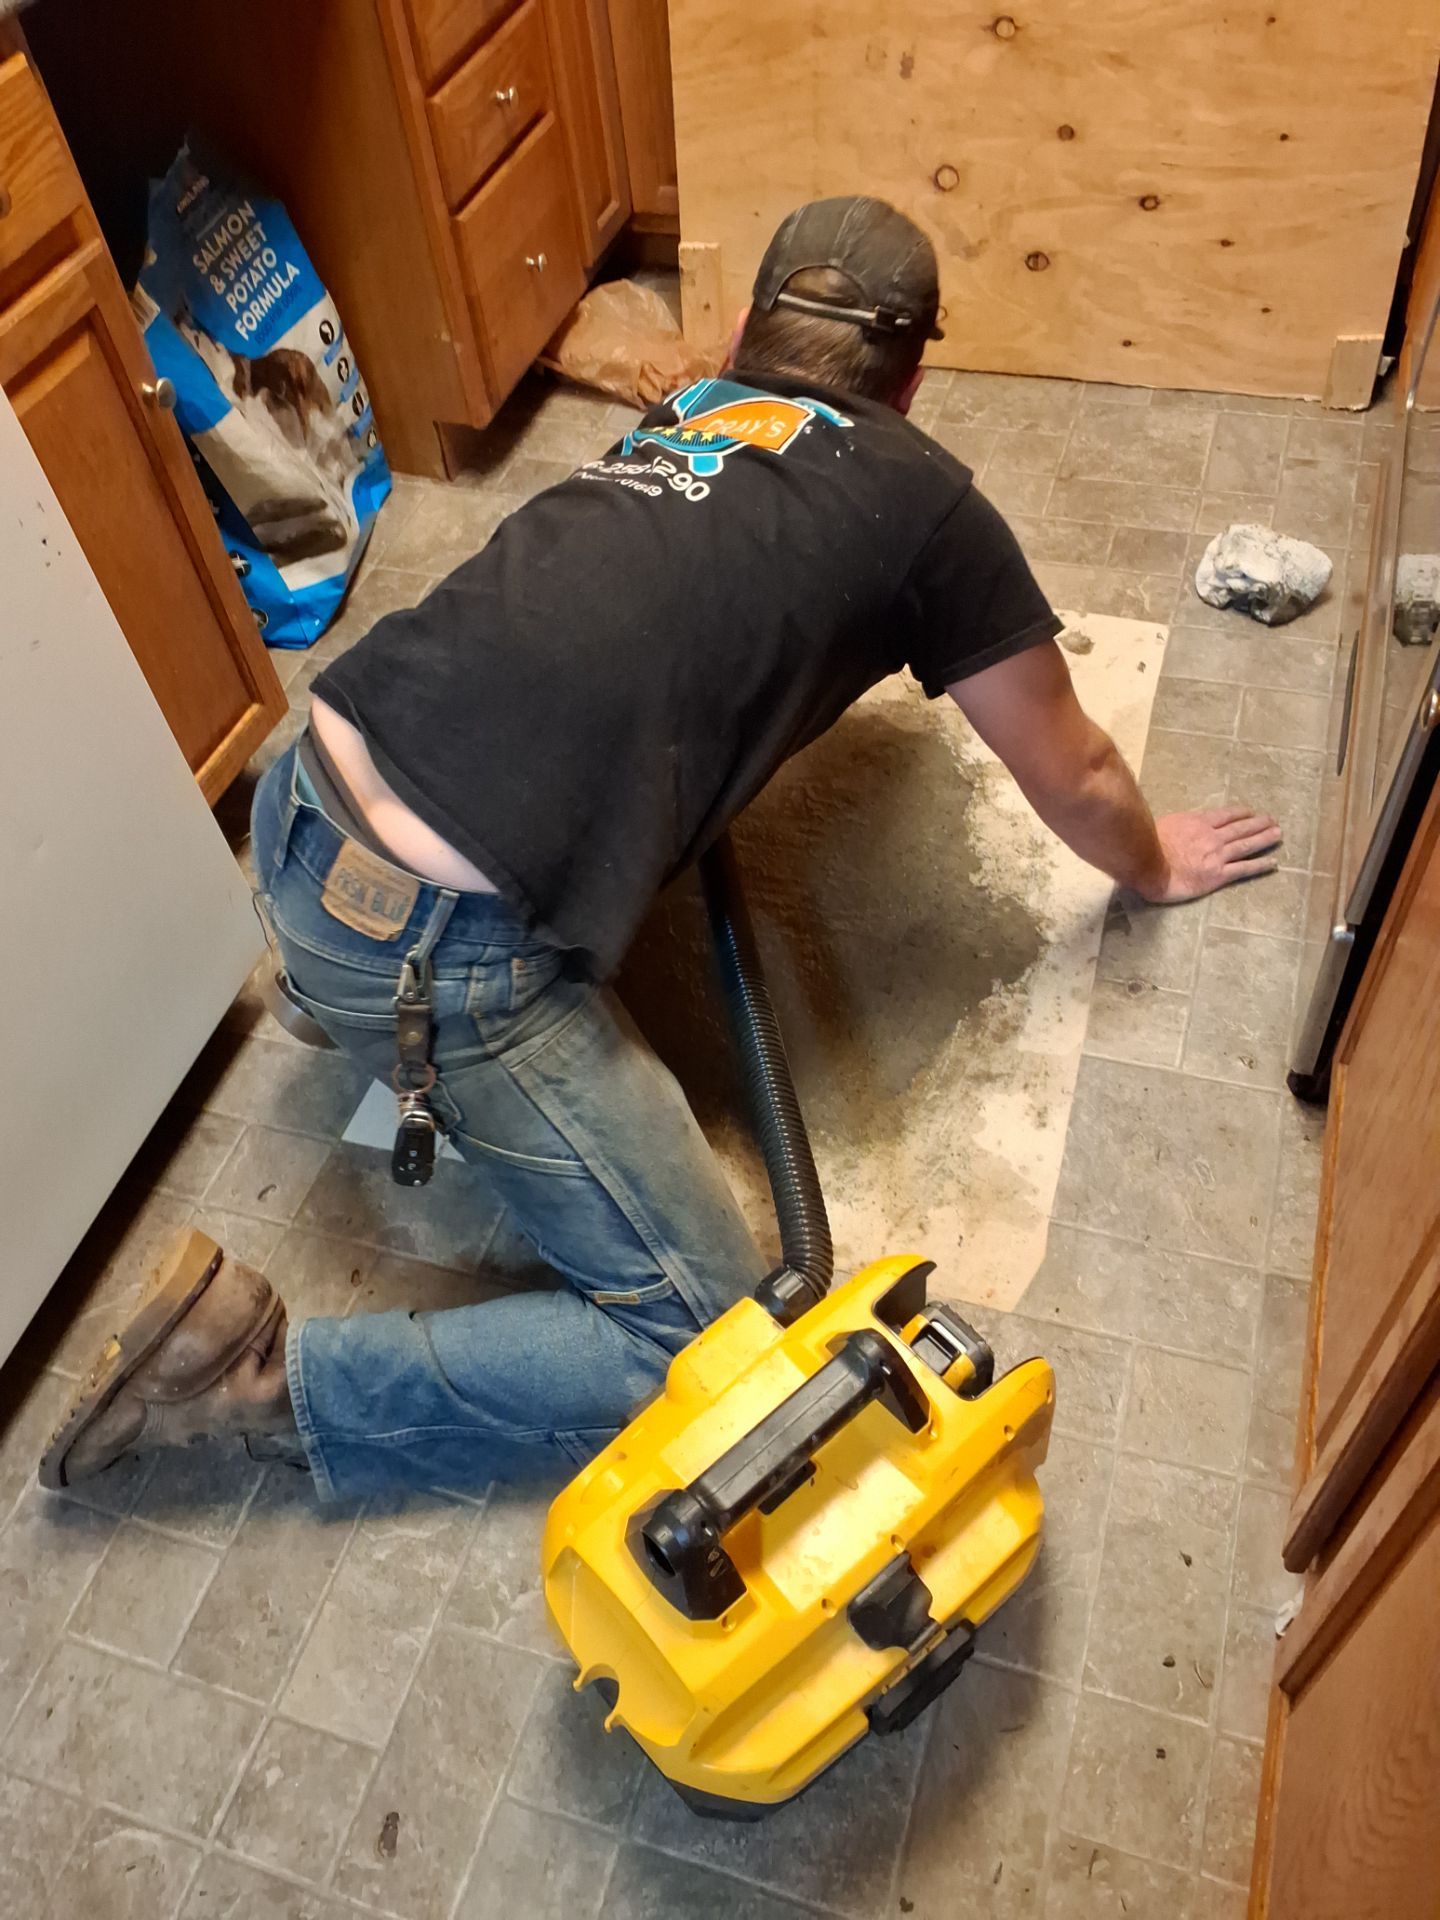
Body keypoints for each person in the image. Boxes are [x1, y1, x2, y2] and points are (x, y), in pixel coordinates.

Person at [41, 197, 1280, 1502]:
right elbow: (1073, 765)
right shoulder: (927, 504)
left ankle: (326, 990)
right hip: (427, 942)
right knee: (704, 1342)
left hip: (300, 791)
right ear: (913, 380)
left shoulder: (682, 414)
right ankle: (247, 1385)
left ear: (743, 329)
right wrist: (1151, 863)